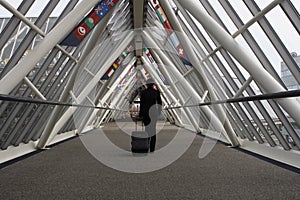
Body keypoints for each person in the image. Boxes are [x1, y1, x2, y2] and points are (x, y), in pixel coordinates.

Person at [139, 78, 162, 152]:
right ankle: (152, 149)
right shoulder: (156, 92)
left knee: (147, 130)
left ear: (146, 84)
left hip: (146, 114)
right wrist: (158, 112)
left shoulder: (143, 93)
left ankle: (146, 146)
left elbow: (141, 104)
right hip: (154, 113)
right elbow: (159, 103)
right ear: (153, 84)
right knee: (153, 130)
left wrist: (140, 114)